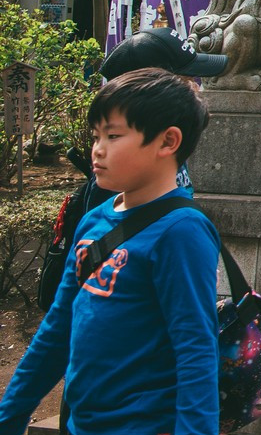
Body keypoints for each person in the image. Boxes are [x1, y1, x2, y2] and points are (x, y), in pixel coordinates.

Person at [0, 69, 221, 435]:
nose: (97, 150)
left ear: (167, 142)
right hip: (84, 433)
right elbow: (56, 331)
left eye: (114, 136)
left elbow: (197, 350)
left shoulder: (181, 232)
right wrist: (9, 421)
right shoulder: (94, 222)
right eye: (96, 135)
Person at [37, 31, 225, 312]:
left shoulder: (168, 164)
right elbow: (70, 312)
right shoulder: (110, 192)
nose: (197, 88)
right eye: (186, 81)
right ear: (150, 90)